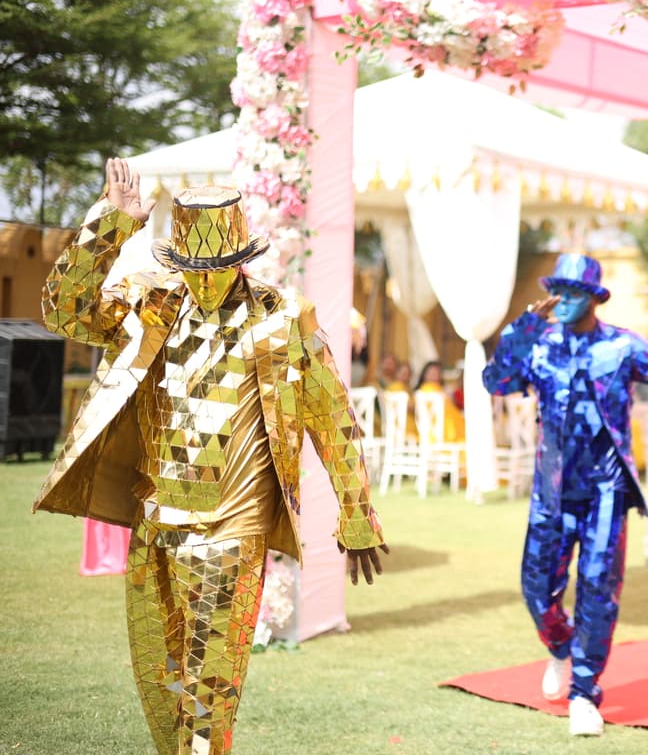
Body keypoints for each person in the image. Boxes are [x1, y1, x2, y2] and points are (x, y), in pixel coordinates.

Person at [34, 158, 389, 755]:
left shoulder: (282, 317)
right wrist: (110, 226)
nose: (204, 280)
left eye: (217, 267)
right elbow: (62, 312)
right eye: (191, 267)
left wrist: (356, 516)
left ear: (241, 258)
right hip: (155, 526)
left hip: (232, 530)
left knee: (209, 690)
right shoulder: (150, 308)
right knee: (160, 684)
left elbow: (334, 418)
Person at [483, 253, 648, 737]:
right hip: (552, 492)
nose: (562, 301)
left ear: (595, 297)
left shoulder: (621, 348)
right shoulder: (538, 347)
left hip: (605, 491)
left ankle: (584, 691)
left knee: (599, 591)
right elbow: (495, 381)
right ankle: (562, 649)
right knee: (536, 589)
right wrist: (521, 329)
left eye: (573, 292)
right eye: (557, 291)